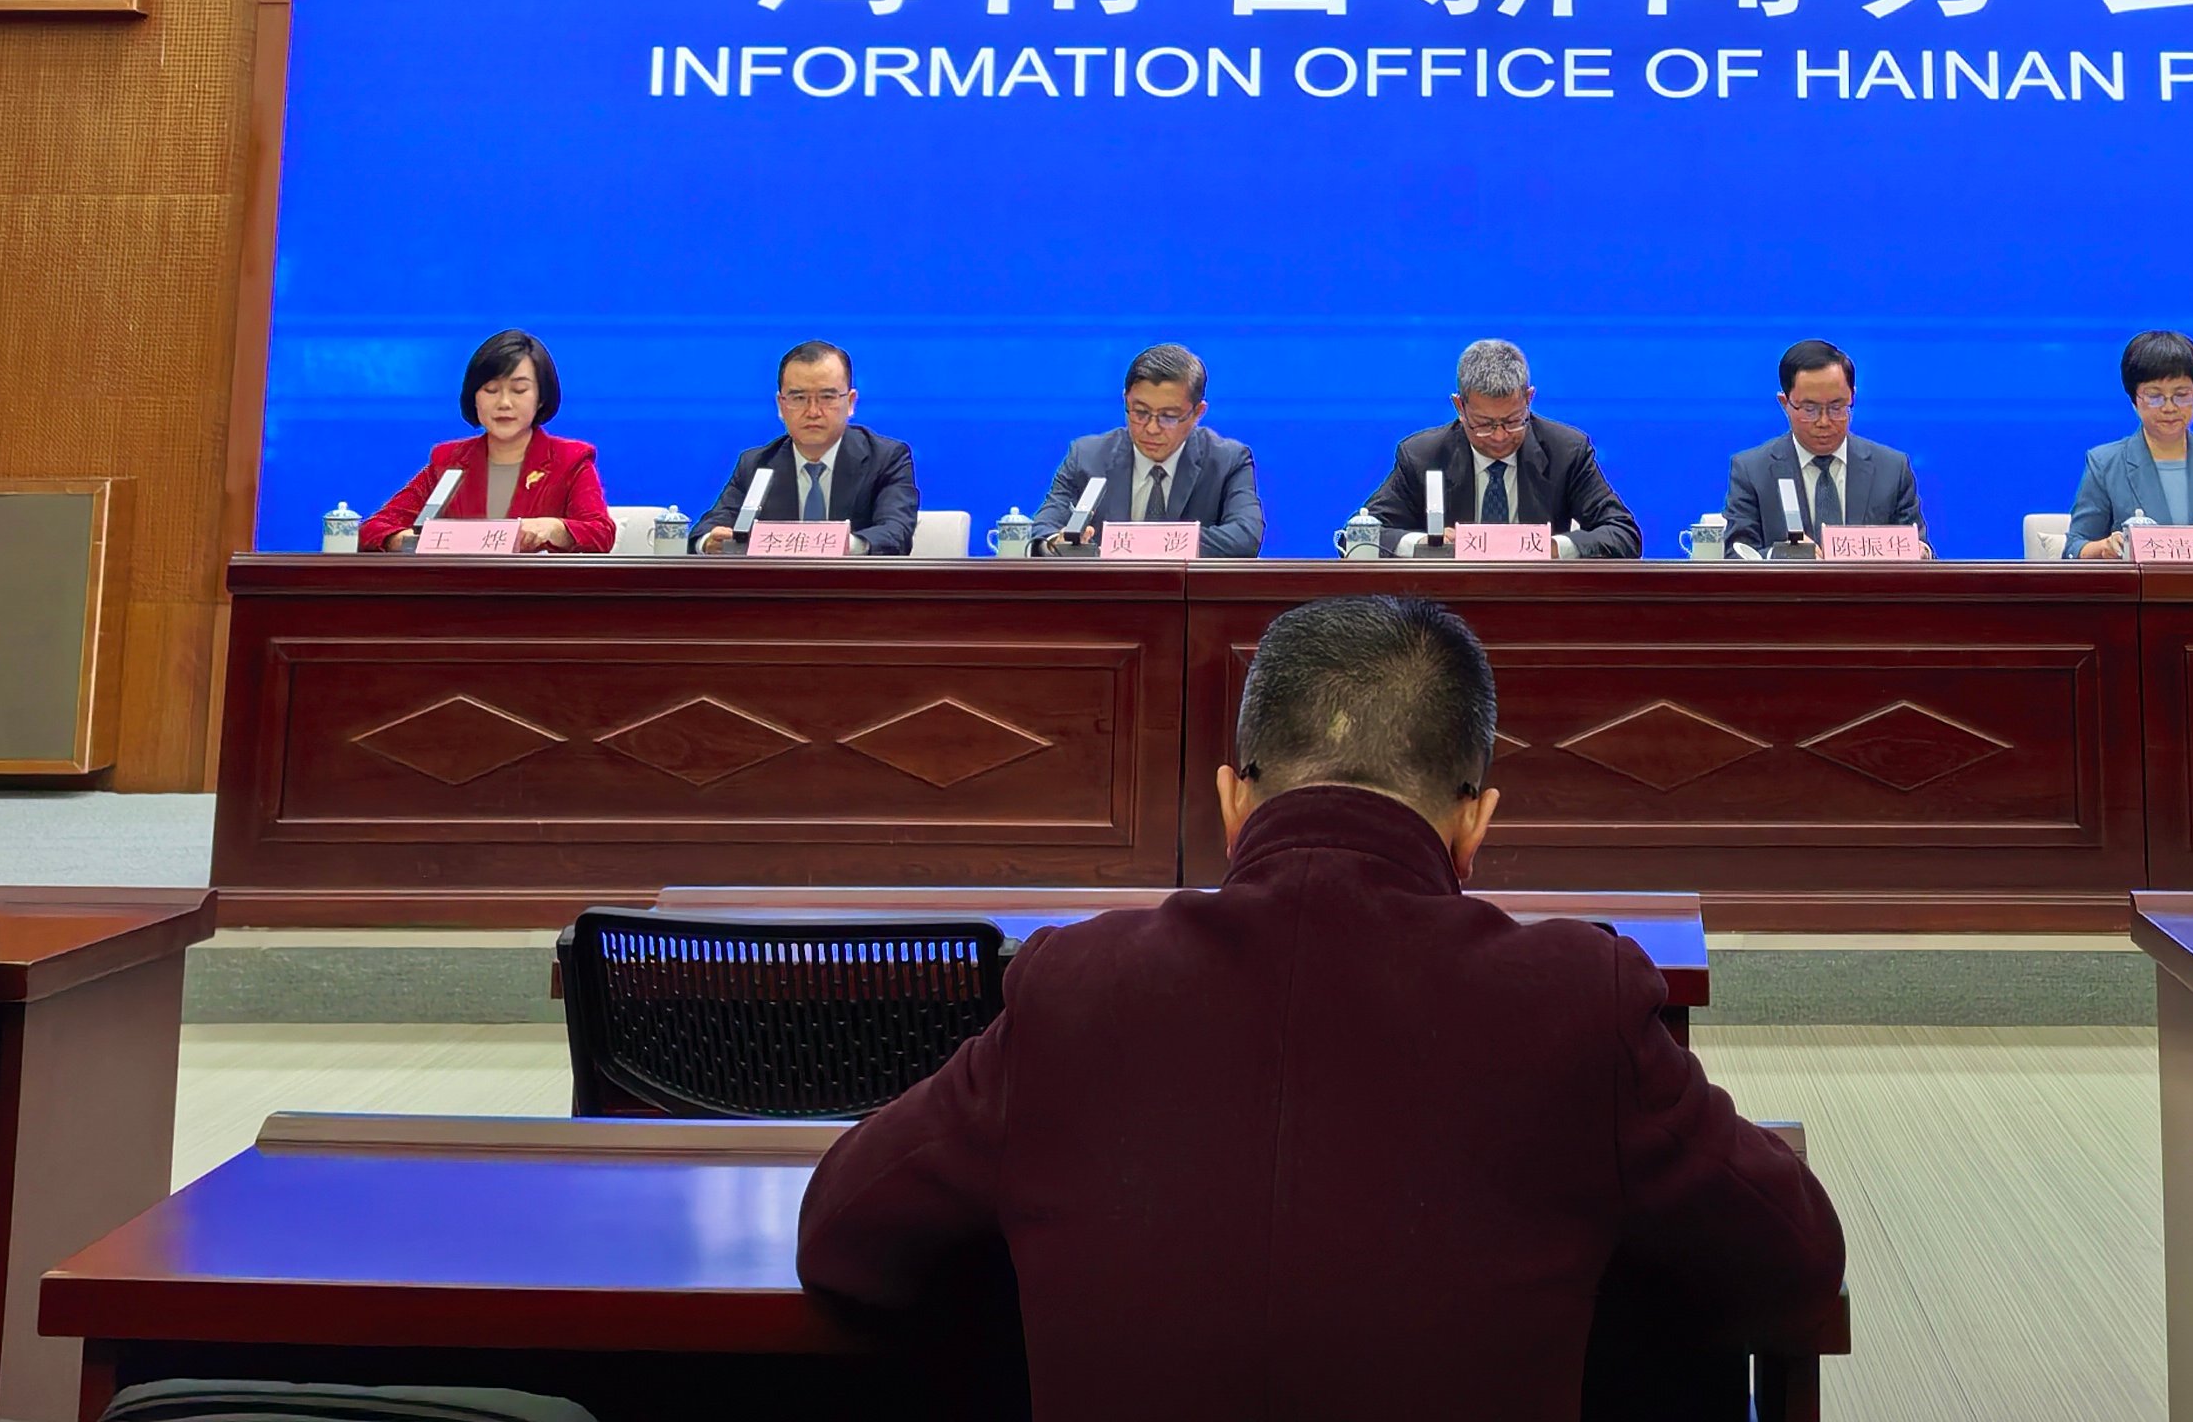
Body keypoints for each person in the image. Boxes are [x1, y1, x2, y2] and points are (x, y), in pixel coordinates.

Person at [798, 593, 1842, 1422]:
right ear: (1475, 825)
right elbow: (1794, 1266)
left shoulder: (1076, 981)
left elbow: (844, 1237)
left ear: (1231, 803)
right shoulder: (1577, 995)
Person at [1363, 338, 1640, 558]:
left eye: (1512, 421)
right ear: (1459, 406)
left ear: (1529, 399)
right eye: (1484, 424)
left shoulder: (1566, 451)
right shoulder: (1423, 455)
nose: (1499, 436)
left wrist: (1553, 548)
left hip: (1540, 599)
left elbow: (1623, 533)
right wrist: (1426, 544)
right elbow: (1362, 537)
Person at [363, 329, 613, 552]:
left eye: (519, 390)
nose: (504, 403)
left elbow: (601, 533)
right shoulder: (449, 461)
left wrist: (555, 529)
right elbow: (373, 529)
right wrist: (414, 542)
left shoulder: (570, 460)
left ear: (541, 398)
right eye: (491, 390)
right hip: (459, 587)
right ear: (474, 397)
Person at [1031, 344, 1265, 555]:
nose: (1152, 428)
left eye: (1168, 416)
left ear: (1197, 413)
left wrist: (1135, 543)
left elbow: (1245, 537)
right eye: (1140, 412)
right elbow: (1042, 530)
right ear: (1126, 400)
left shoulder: (1227, 461)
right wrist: (1056, 544)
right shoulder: (1087, 457)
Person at [2068, 330, 2193, 559]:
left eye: (2181, 395)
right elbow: (2075, 547)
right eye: (2154, 396)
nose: (2169, 407)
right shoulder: (2105, 464)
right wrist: (2105, 547)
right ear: (2134, 400)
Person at [696, 341, 919, 554]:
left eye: (827, 397)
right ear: (781, 405)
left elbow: (896, 533)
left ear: (850, 402)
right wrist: (709, 542)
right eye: (799, 398)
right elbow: (706, 530)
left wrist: (834, 545)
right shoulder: (757, 464)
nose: (813, 412)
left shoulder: (885, 459)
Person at [1722, 338, 1928, 557]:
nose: (1824, 422)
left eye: (1836, 407)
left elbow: (1918, 551)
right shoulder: (1752, 471)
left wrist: (1922, 553)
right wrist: (1781, 556)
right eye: (1810, 409)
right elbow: (1736, 555)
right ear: (1785, 403)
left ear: (1852, 397)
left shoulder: (1892, 469)